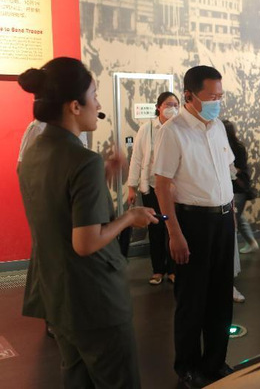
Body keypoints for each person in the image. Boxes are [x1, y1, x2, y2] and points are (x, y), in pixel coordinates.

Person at [17, 57, 158, 388]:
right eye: (94, 95)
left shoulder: (34, 151)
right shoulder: (83, 160)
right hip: (93, 297)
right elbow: (86, 243)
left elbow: (57, 202)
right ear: (75, 106)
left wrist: (102, 174)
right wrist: (130, 217)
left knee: (77, 376)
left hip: (55, 293)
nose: (98, 105)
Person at [154, 66, 236, 387]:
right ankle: (187, 367)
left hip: (223, 219)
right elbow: (162, 185)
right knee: (192, 300)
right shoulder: (173, 131)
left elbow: (224, 175)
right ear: (189, 95)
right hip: (192, 222)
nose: (217, 102)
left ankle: (215, 361)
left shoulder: (218, 128)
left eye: (220, 96)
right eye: (211, 96)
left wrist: (230, 214)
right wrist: (173, 232)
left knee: (220, 297)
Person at [127, 91, 179, 285]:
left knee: (172, 228)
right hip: (151, 189)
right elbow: (137, 158)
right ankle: (158, 270)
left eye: (176, 105)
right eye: (168, 104)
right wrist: (132, 187)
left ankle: (173, 270)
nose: (172, 108)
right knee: (156, 229)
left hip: (173, 190)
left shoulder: (179, 127)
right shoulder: (147, 129)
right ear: (159, 107)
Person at [222, 120, 259, 255]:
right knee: (238, 216)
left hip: (237, 188)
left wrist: (229, 169)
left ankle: (231, 253)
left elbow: (241, 168)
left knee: (233, 220)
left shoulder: (237, 147)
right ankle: (252, 242)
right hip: (229, 187)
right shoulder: (225, 146)